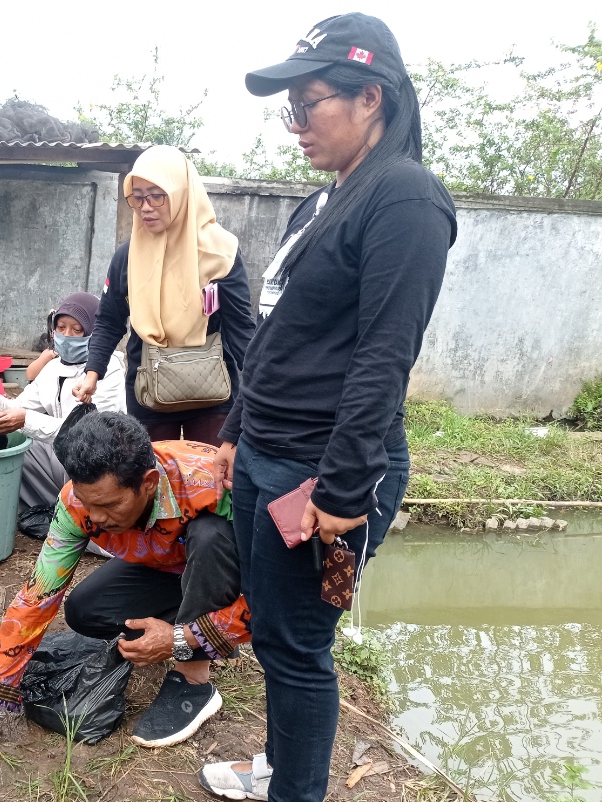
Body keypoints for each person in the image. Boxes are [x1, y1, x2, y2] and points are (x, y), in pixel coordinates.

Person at [199, 14, 457, 802]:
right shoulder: (321, 204)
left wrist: (346, 491)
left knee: (299, 646)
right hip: (270, 453)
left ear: (370, 96)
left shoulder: (406, 200)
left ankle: (294, 793)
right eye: (289, 109)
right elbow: (276, 336)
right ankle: (278, 771)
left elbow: (385, 354)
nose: (296, 125)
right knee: (276, 637)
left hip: (322, 470)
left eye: (308, 105)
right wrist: (237, 433)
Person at [0, 411, 251, 760]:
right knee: (86, 610)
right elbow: (36, 598)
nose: (96, 518)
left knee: (211, 537)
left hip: (227, 563)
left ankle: (193, 679)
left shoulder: (215, 484)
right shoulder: (76, 503)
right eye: (88, 503)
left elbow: (280, 594)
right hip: (165, 567)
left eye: (109, 505)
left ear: (147, 483)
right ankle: (206, 621)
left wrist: (182, 638)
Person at [72, 146, 254, 444]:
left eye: (157, 195)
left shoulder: (220, 253)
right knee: (151, 477)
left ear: (181, 193)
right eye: (138, 196)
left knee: (209, 476)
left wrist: (260, 384)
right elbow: (109, 321)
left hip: (212, 391)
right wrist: (93, 372)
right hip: (148, 388)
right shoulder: (128, 257)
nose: (145, 206)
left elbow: (239, 326)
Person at [0, 291, 126, 511]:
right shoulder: (53, 368)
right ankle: (52, 509)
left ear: (94, 333)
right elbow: (23, 406)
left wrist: (25, 420)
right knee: (18, 444)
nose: (67, 336)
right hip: (63, 455)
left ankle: (82, 514)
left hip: (99, 461)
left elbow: (85, 433)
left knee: (72, 449)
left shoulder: (108, 370)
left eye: (77, 330)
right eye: (61, 327)